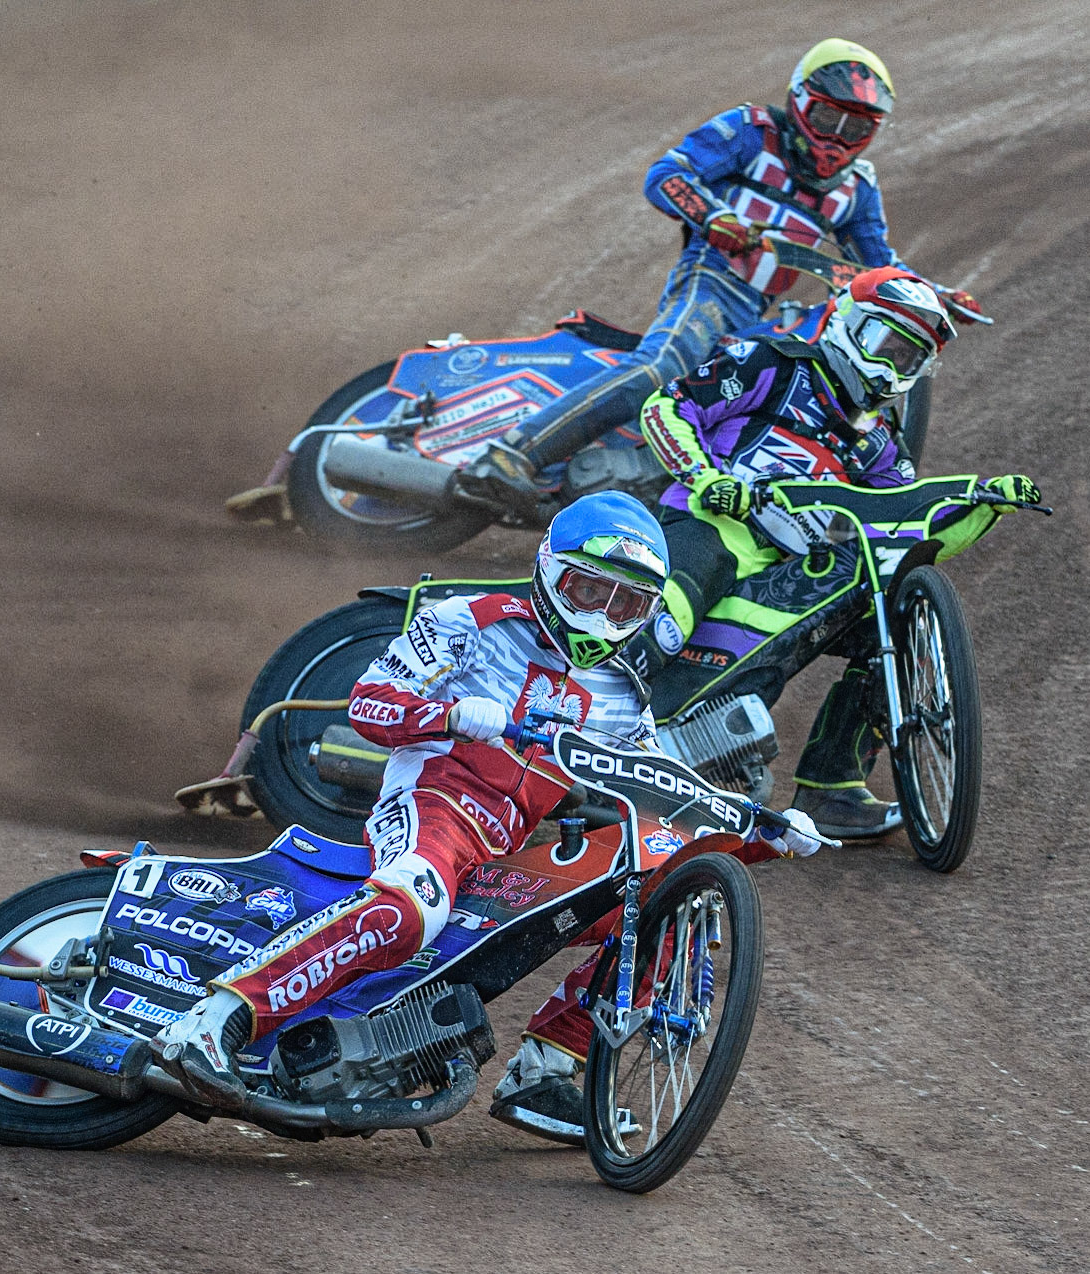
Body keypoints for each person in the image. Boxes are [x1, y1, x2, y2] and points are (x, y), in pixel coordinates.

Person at [152, 491, 824, 1142]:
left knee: (663, 908)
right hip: (432, 804)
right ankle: (213, 1020)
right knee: (411, 908)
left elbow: (654, 785)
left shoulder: (624, 692)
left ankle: (545, 1072)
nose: (605, 615)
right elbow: (367, 704)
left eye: (628, 604)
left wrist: (758, 824)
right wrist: (445, 715)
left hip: (506, 848)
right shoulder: (466, 620)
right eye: (591, 591)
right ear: (549, 569)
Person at [463, 38, 982, 517]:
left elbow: (879, 266)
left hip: (758, 310)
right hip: (709, 279)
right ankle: (513, 453)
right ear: (800, 100)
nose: (838, 138)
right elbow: (667, 174)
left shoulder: (858, 190)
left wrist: (936, 297)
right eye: (827, 115)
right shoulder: (752, 131)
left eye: (856, 127)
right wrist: (715, 219)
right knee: (661, 368)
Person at [620, 265, 1040, 838]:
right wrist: (703, 476)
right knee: (686, 585)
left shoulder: (882, 448)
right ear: (850, 324)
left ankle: (831, 788)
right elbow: (667, 408)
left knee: (892, 619)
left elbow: (903, 532)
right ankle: (593, 720)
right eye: (886, 344)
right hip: (711, 519)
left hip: (794, 566)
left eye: (911, 358)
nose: (895, 366)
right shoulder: (771, 362)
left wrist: (980, 507)